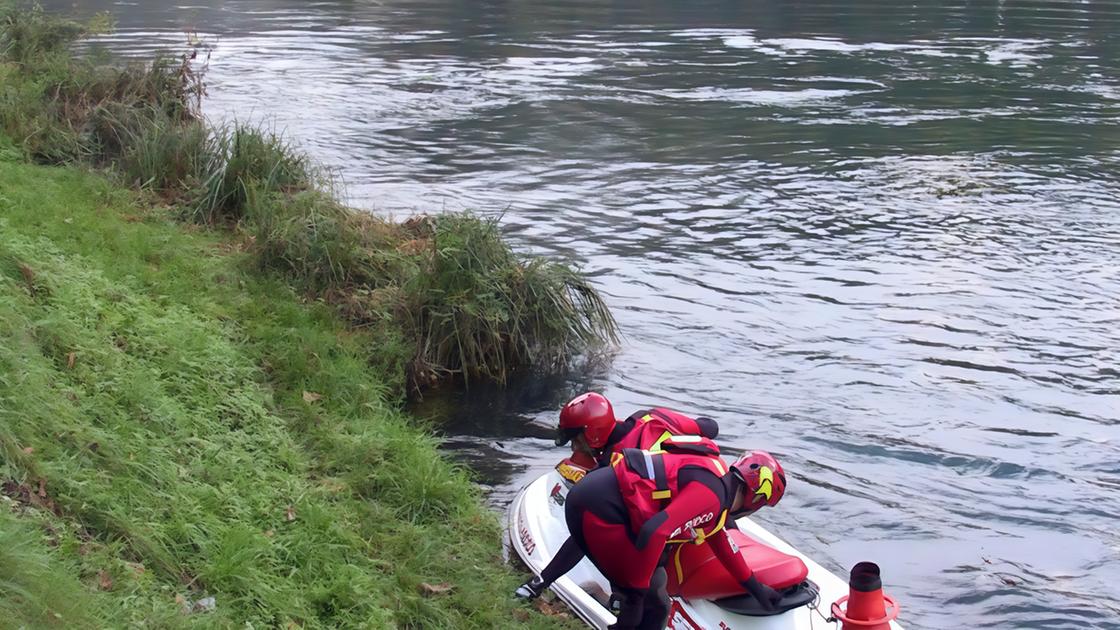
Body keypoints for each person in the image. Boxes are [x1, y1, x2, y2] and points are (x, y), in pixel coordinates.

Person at [522, 436, 788, 630]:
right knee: (651, 605)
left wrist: (756, 589)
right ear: (757, 499)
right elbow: (655, 530)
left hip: (591, 497)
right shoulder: (713, 497)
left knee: (652, 592)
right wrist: (635, 592)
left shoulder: (716, 478)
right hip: (600, 511)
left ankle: (536, 587)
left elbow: (719, 539)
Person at [517, 393, 721, 599]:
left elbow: (583, 537)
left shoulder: (614, 468)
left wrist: (542, 581)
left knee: (610, 527)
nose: (574, 447)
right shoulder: (652, 418)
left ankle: (623, 598)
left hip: (669, 529)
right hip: (711, 499)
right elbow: (710, 427)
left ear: (593, 435)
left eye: (576, 440)